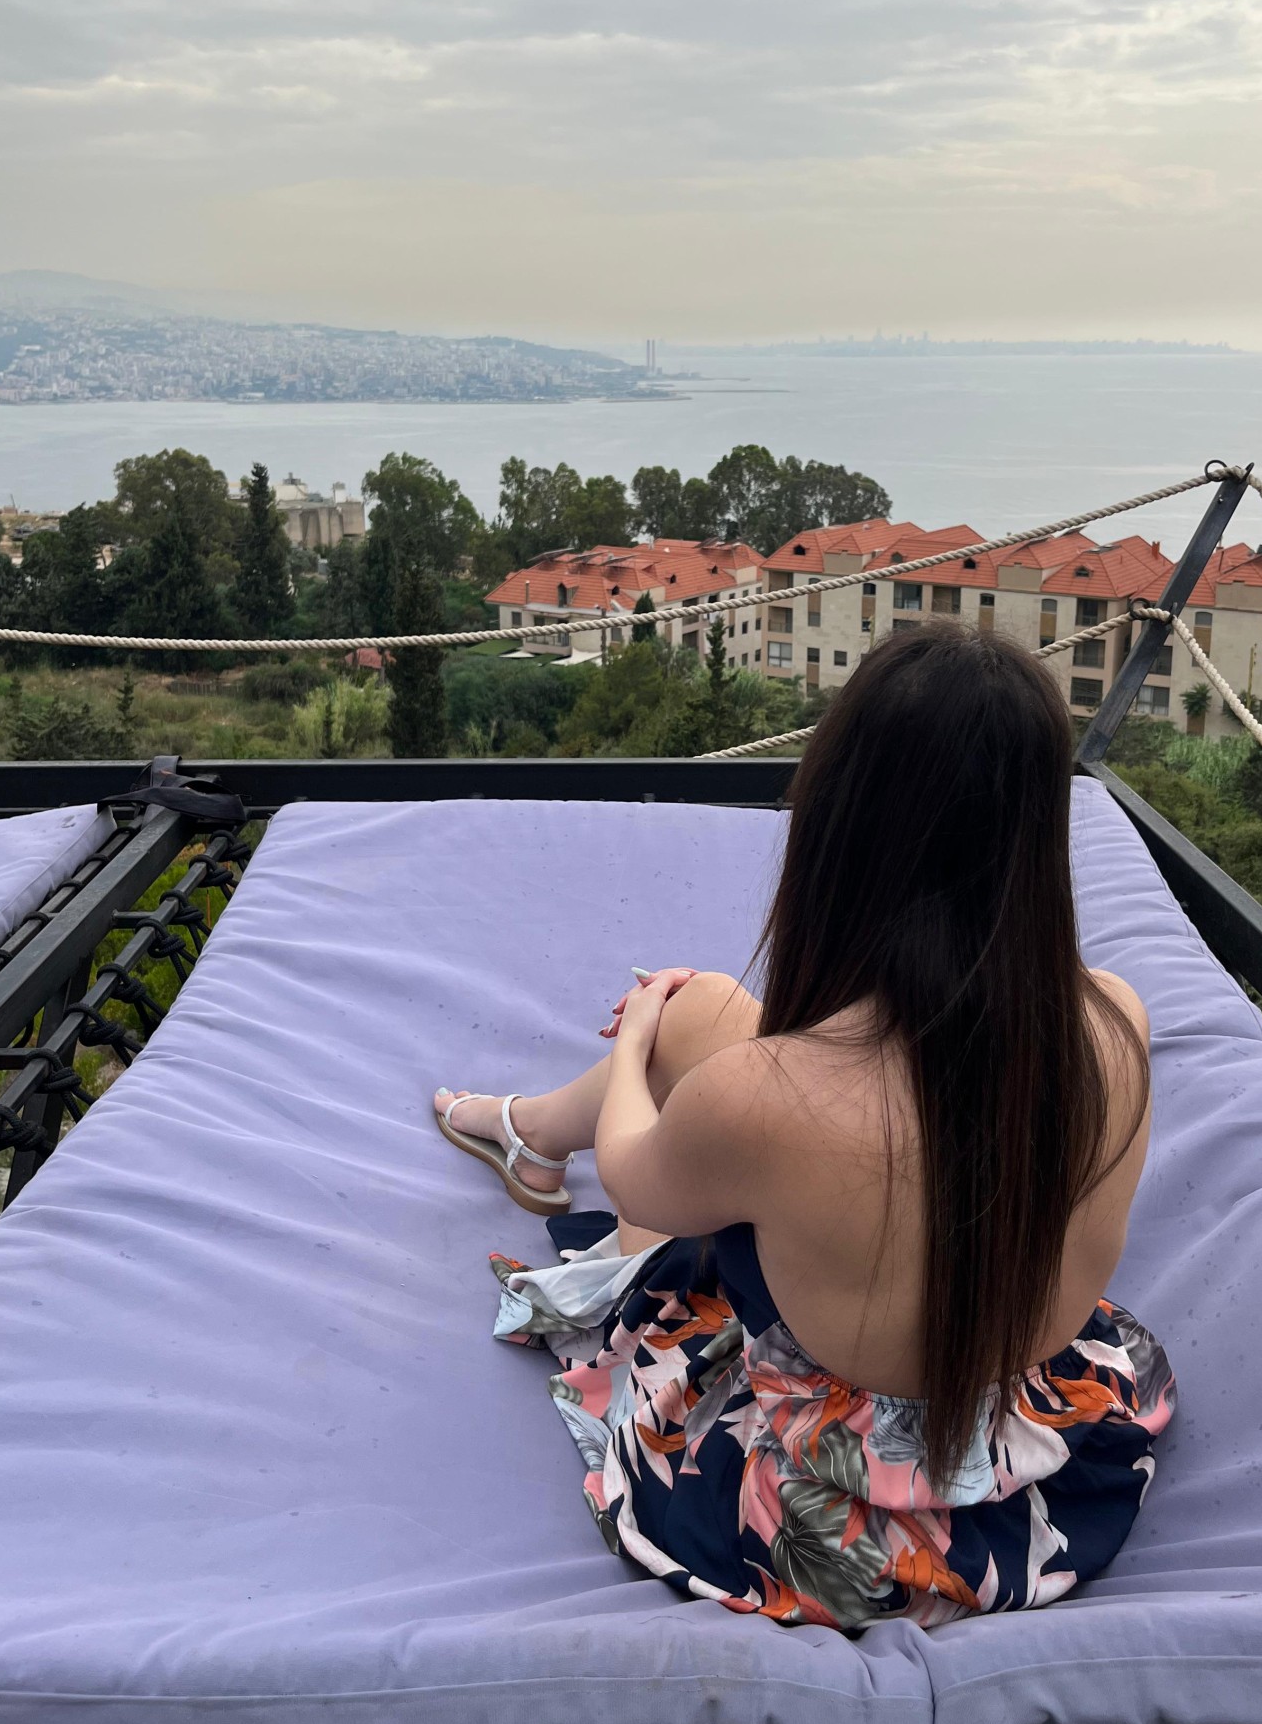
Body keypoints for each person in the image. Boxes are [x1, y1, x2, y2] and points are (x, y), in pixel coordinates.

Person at [434, 621, 1175, 1629]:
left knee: (683, 1076)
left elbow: (635, 1175)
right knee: (715, 1026)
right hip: (1037, 1464)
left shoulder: (768, 1098)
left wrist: (644, 1025)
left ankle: (527, 1131)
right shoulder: (1115, 1020)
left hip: (840, 1520)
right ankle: (527, 1130)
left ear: (842, 823)